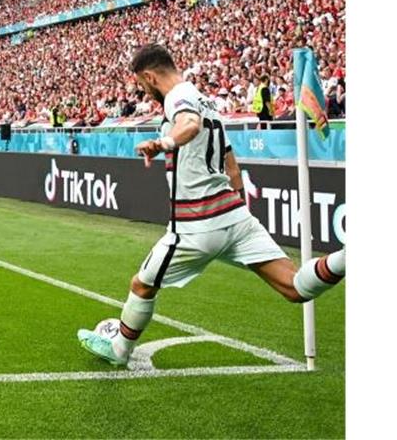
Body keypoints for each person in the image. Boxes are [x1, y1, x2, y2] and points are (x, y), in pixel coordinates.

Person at [76, 44, 344, 367]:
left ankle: (119, 349)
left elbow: (189, 123)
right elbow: (232, 166)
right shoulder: (208, 103)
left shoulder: (178, 97)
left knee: (141, 284)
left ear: (149, 76)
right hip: (234, 216)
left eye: (142, 86)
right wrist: (241, 216)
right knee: (295, 286)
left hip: (196, 224)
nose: (144, 93)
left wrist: (163, 143)